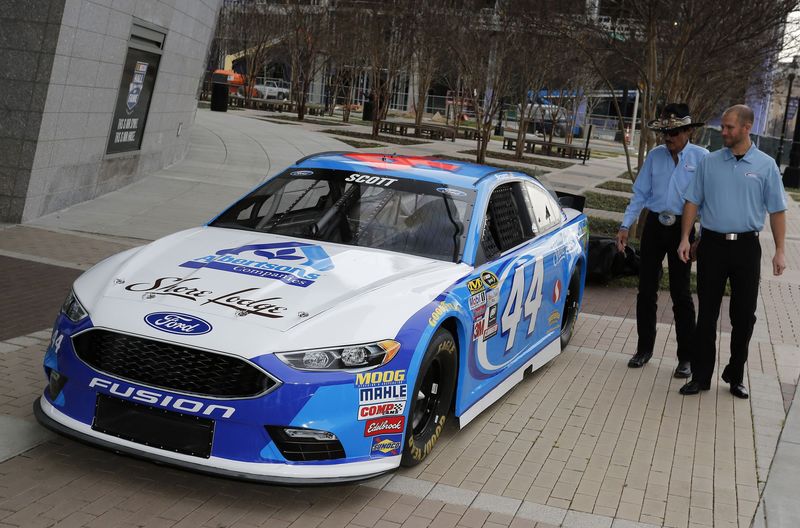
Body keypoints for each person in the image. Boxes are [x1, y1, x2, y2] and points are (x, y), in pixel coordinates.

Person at [677, 104, 787, 398]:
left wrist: (780, 250)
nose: (722, 131)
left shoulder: (765, 166)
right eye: (723, 126)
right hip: (711, 245)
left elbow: (777, 211)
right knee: (707, 314)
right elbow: (692, 201)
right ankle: (700, 377)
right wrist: (685, 237)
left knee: (744, 316)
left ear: (746, 128)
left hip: (747, 249)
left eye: (728, 127)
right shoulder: (709, 162)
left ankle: (735, 374)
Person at [617, 103, 708, 378]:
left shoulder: (703, 158)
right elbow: (640, 194)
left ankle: (686, 358)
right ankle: (644, 349)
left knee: (681, 294)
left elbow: (707, 201)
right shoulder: (656, 156)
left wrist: (699, 237)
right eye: (665, 133)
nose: (668, 138)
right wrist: (624, 224)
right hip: (655, 225)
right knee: (646, 290)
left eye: (675, 132)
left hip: (684, 229)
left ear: (689, 131)